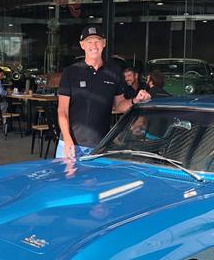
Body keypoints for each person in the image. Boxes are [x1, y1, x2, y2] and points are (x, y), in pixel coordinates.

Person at [57, 25, 151, 160]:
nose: (94, 45)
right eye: (89, 41)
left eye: (97, 41)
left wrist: (135, 100)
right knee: (66, 181)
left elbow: (119, 105)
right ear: (82, 45)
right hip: (70, 144)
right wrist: (67, 140)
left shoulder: (114, 72)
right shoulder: (70, 72)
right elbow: (62, 110)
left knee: (95, 182)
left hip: (100, 145)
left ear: (104, 43)